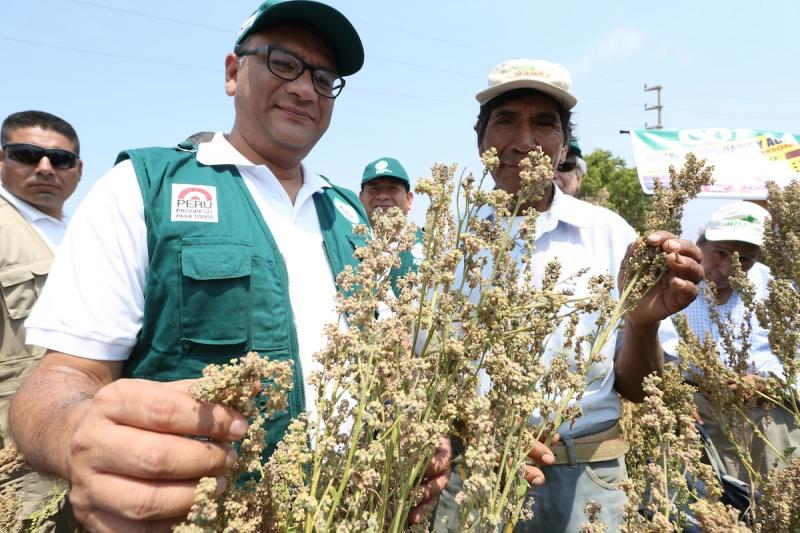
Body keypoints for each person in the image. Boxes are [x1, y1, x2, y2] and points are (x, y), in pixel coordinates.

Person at [8, 2, 454, 530]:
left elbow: (396, 357)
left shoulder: (351, 216)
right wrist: (75, 434)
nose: (304, 88)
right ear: (231, 72)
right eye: (283, 63)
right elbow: (59, 379)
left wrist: (422, 431)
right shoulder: (142, 188)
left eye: (323, 77)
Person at [432, 58, 703, 532]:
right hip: (475, 474)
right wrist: (478, 433)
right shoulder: (447, 241)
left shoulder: (609, 233)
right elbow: (422, 380)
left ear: (563, 146)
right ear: (481, 140)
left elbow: (640, 390)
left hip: (588, 480)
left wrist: (643, 323)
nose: (524, 141)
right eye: (505, 120)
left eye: (544, 123)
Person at [677, 200, 800, 479]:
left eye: (744, 259)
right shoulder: (676, 286)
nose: (726, 267)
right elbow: (660, 357)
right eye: (719, 253)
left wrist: (766, 383)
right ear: (700, 245)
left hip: (766, 413)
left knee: (775, 503)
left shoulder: (777, 289)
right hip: (699, 416)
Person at [0, 110, 82, 528]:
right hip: (14, 450)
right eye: (27, 155)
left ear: (78, 170)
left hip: (75, 434)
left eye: (60, 159)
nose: (45, 168)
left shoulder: (78, 233)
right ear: (2, 159)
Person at [358, 156, 424, 295]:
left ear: (408, 199)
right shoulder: (351, 246)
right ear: (361, 198)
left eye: (393, 189)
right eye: (374, 189)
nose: (382, 196)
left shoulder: (430, 245)